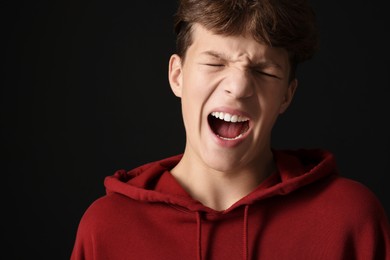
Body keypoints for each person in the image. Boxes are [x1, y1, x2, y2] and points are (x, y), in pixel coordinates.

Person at [71, 0, 390, 259]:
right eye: (214, 63)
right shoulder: (107, 227)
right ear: (177, 76)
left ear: (287, 96)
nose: (238, 88)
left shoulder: (350, 220)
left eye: (264, 71)